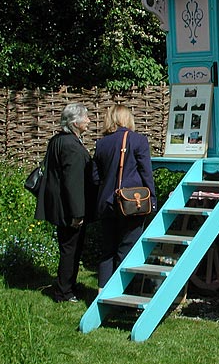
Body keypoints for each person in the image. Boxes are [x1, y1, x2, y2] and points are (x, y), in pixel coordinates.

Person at [35, 102, 95, 303]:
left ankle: (66, 284)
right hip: (69, 207)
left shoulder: (57, 141)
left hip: (58, 204)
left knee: (66, 247)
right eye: (85, 117)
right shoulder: (71, 146)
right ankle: (64, 291)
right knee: (71, 249)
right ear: (75, 122)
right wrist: (77, 213)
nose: (88, 121)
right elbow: (73, 182)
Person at [93, 104, 157, 291]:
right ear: (127, 119)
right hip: (131, 203)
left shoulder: (101, 144)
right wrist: (152, 199)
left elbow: (95, 178)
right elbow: (146, 173)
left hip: (106, 204)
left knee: (108, 251)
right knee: (128, 248)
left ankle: (102, 293)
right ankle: (123, 293)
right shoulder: (138, 141)